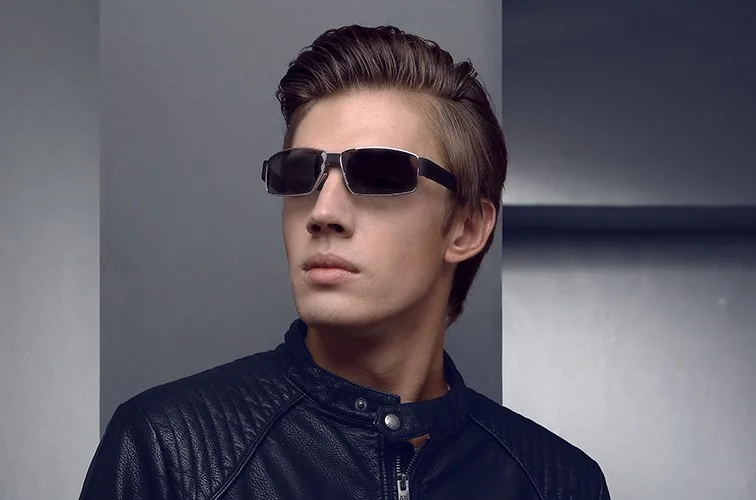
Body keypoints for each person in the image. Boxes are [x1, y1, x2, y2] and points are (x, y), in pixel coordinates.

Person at [79, 24, 610, 499]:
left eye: (379, 176)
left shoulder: (559, 483)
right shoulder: (169, 451)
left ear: (466, 227)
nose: (323, 212)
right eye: (300, 175)